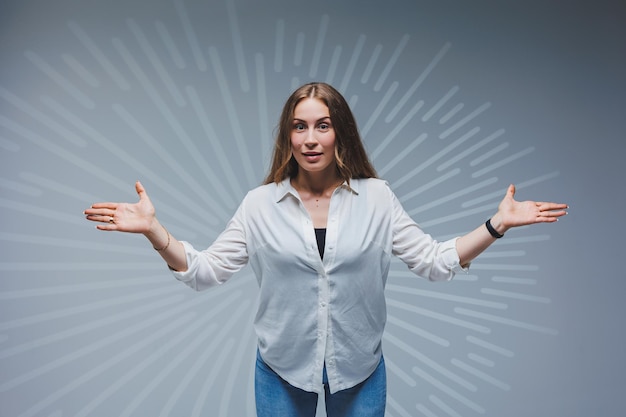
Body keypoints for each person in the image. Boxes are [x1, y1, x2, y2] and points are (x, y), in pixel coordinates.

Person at [84, 82, 568, 417]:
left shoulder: (377, 197)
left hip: (360, 368)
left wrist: (497, 224)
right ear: (287, 135)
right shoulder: (259, 205)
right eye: (299, 126)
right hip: (280, 369)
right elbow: (204, 271)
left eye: (322, 125)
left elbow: (435, 262)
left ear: (341, 132)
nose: (310, 138)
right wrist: (154, 231)